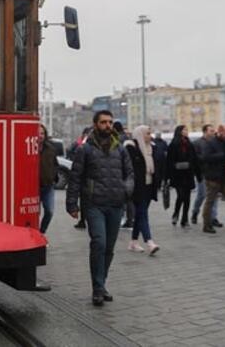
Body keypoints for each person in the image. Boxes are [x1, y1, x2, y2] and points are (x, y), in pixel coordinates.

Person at [66, 110, 134, 306]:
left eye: (110, 122)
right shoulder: (85, 150)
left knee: (109, 248)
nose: (108, 125)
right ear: (96, 124)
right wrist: (72, 204)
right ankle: (97, 288)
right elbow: (75, 177)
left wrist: (125, 189)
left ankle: (101, 284)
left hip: (116, 203)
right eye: (104, 122)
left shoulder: (120, 148)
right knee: (99, 243)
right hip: (94, 204)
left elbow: (129, 174)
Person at [124, 125, 161, 255]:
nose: (149, 136)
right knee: (142, 213)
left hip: (149, 185)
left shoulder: (152, 147)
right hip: (137, 186)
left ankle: (133, 242)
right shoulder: (131, 147)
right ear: (140, 134)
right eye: (147, 133)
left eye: (150, 133)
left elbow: (158, 164)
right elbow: (129, 168)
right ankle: (149, 242)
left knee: (140, 214)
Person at [166, 125, 201, 227]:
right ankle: (176, 213)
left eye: (187, 130)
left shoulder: (189, 144)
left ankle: (184, 219)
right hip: (177, 175)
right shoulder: (173, 144)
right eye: (185, 130)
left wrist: (198, 175)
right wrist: (168, 176)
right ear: (179, 131)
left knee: (187, 198)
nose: (187, 131)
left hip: (188, 174)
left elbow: (195, 160)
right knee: (181, 196)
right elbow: (169, 161)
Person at [191, 124, 220, 226]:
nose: (213, 133)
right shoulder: (197, 143)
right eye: (211, 131)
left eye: (213, 131)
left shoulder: (216, 143)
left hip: (214, 173)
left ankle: (213, 218)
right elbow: (195, 158)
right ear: (205, 132)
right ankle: (195, 212)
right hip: (202, 173)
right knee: (202, 195)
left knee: (214, 195)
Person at [38, 125, 58, 234]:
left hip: (48, 186)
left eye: (42, 133)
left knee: (49, 211)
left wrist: (54, 177)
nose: (40, 136)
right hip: (33, 188)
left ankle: (42, 231)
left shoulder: (50, 148)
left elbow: (55, 164)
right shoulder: (28, 147)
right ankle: (34, 234)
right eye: (38, 133)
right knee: (34, 214)